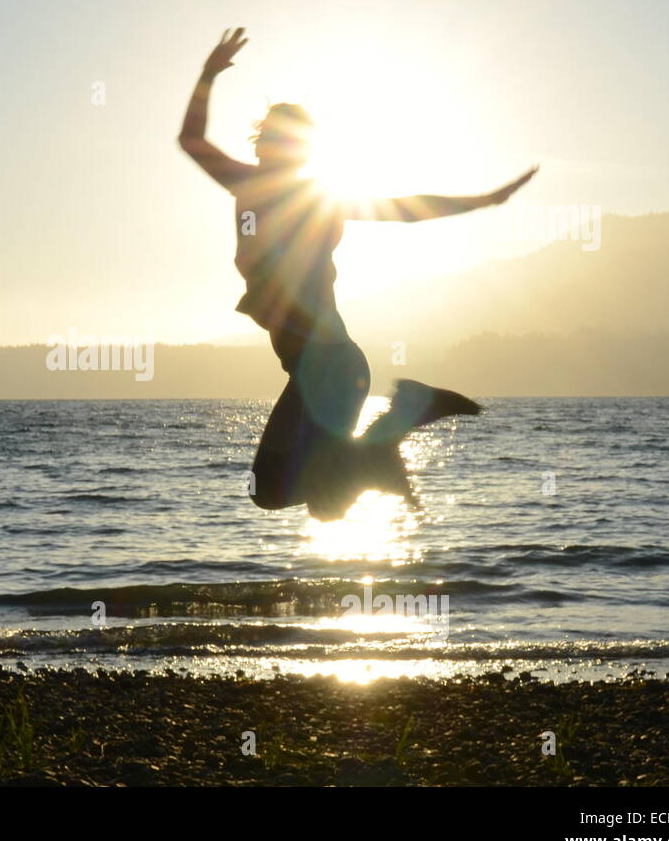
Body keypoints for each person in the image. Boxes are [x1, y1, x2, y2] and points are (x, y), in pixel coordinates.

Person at [179, 28, 538, 519]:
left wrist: (483, 200)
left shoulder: (317, 198)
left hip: (331, 366)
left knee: (292, 495)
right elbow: (191, 140)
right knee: (302, 498)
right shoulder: (247, 183)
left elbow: (406, 209)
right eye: (271, 141)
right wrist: (207, 74)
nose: (274, 152)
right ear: (262, 145)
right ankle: (395, 431)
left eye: (287, 145)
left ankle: (404, 418)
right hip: (319, 370)